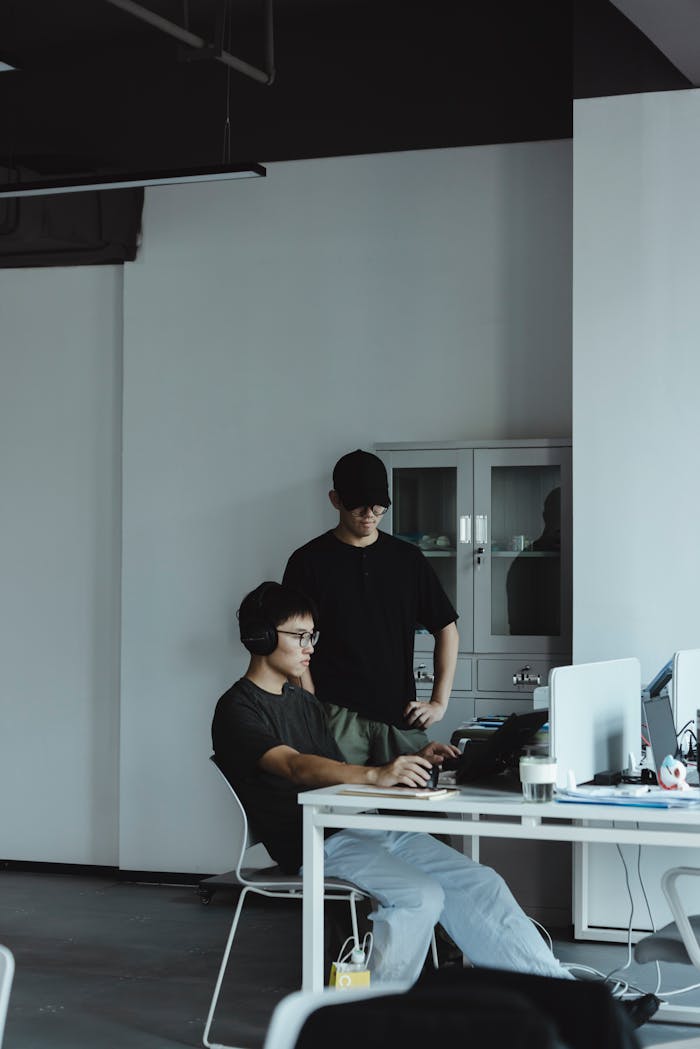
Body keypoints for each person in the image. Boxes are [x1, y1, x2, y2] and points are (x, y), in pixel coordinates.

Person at [211, 580, 575, 986]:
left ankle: (558, 991)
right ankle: (372, 1018)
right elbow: (294, 767)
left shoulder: (302, 702)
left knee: (480, 882)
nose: (310, 646)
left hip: (361, 823)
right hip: (313, 841)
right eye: (299, 636)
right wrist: (375, 775)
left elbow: (334, 766)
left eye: (312, 635)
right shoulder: (236, 709)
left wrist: (409, 762)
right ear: (259, 638)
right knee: (419, 897)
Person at [282, 449, 459, 764]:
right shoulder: (308, 562)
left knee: (415, 807)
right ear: (335, 500)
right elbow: (293, 643)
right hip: (337, 718)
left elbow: (446, 629)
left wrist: (438, 703)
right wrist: (313, 709)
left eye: (379, 505)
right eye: (358, 505)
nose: (370, 513)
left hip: (400, 716)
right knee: (338, 808)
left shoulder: (407, 560)